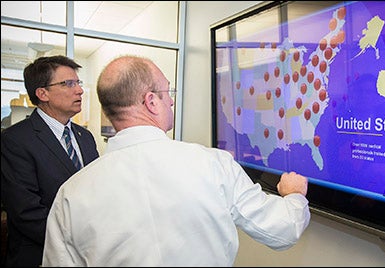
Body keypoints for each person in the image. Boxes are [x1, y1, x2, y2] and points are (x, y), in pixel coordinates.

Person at [42, 55, 310, 267]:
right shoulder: (213, 165)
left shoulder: (72, 194)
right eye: (167, 92)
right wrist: (295, 196)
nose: (170, 101)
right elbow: (282, 231)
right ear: (151, 102)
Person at [1, 55, 99, 267]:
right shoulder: (15, 140)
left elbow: (96, 192)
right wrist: (78, 243)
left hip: (88, 254)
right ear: (42, 93)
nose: (79, 90)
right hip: (42, 255)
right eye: (68, 84)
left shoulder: (86, 137)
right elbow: (25, 212)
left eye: (78, 83)